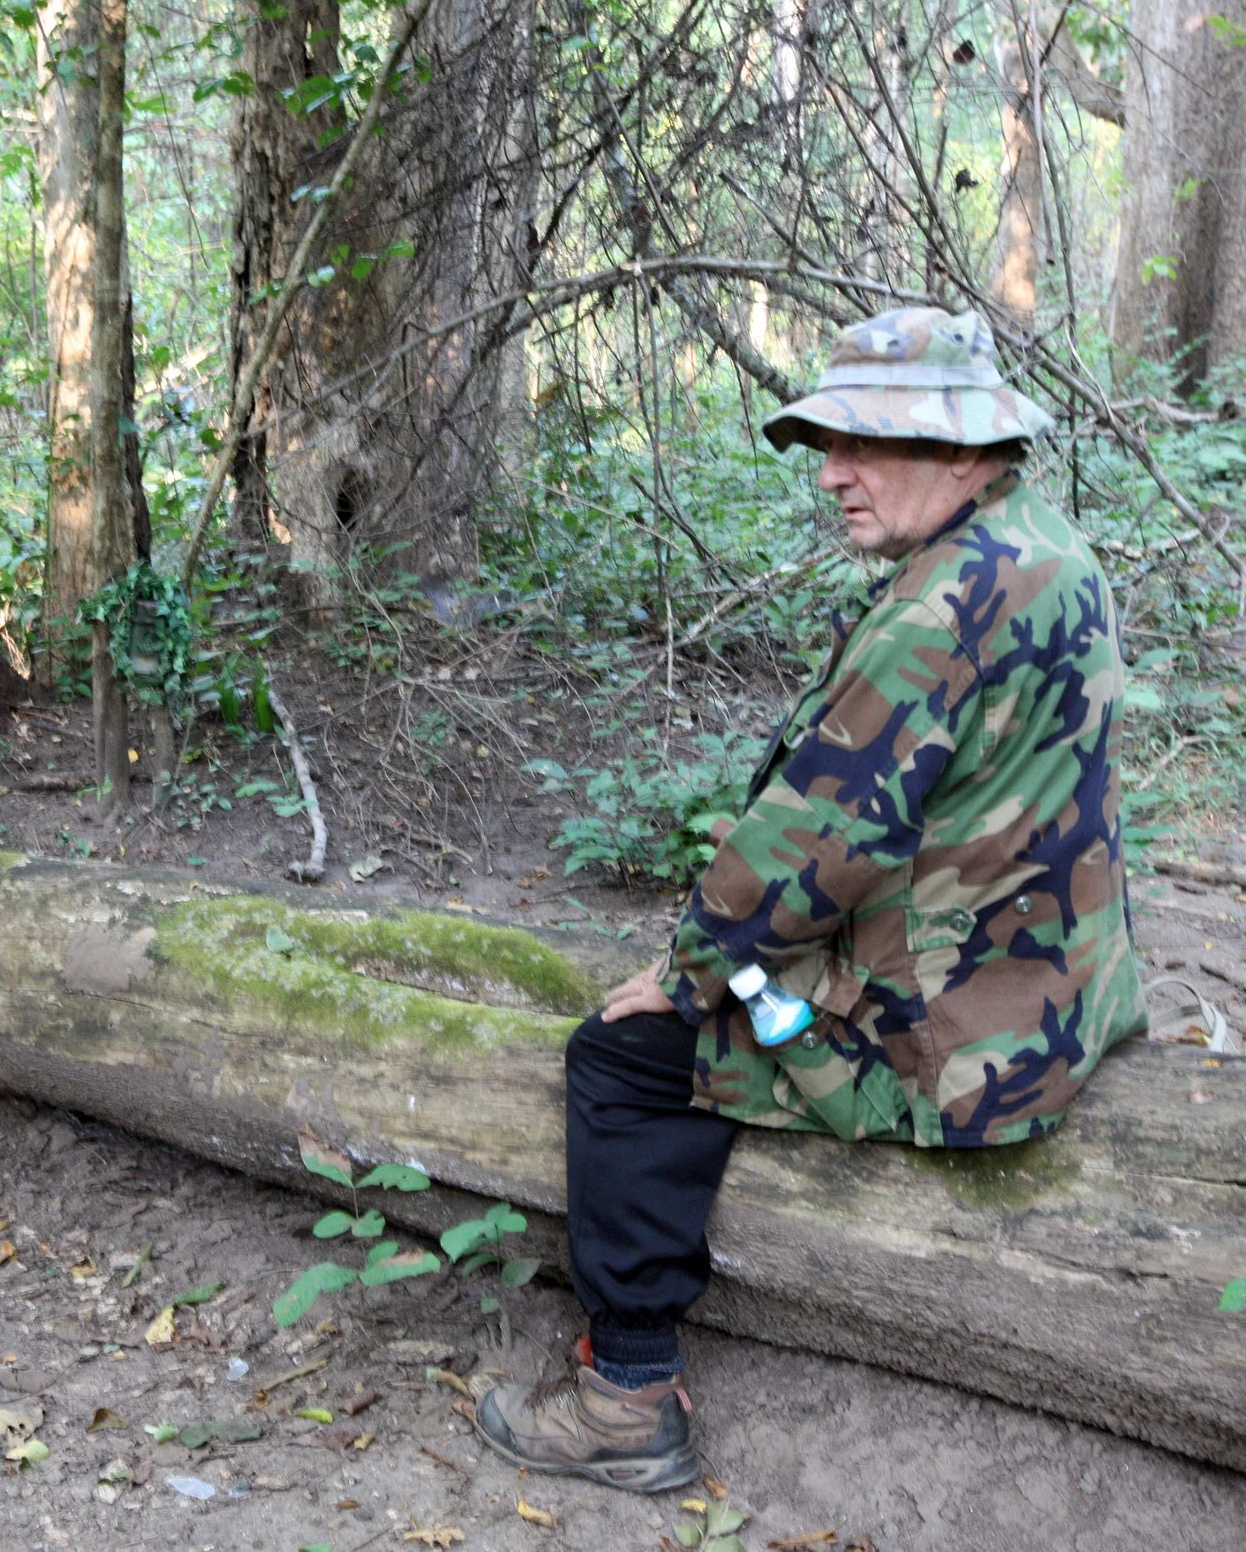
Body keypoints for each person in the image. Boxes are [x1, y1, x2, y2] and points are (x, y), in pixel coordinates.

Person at [472, 306, 1146, 1491]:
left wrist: (687, 976)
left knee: (616, 1061)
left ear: (958, 449)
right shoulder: (1048, 551)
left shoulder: (938, 611)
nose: (831, 473)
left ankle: (625, 1391)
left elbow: (807, 844)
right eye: (827, 443)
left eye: (864, 442)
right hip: (1062, 990)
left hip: (960, 1042)